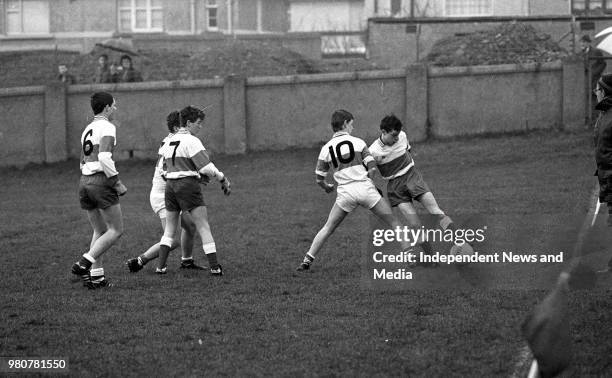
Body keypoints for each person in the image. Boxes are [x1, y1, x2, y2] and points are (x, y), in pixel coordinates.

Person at [296, 109, 413, 271]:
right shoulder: (359, 143)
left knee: (328, 227)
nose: (353, 127)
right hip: (366, 190)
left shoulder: (326, 149)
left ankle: (307, 260)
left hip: (345, 194)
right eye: (351, 124)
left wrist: (327, 187)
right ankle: (409, 255)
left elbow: (319, 178)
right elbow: (372, 169)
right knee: (394, 222)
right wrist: (372, 186)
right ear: (344, 124)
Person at [368, 114, 470, 265]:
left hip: (412, 178)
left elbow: (407, 150)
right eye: (393, 135)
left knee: (436, 211)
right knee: (415, 225)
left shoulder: (402, 135)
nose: (396, 139)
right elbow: (368, 172)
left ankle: (461, 244)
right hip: (395, 188)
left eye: (397, 135)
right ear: (383, 131)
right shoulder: (373, 151)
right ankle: (431, 258)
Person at [126, 110, 206, 273]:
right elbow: (166, 172)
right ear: (177, 127)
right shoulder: (170, 143)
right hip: (163, 196)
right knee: (172, 240)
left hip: (173, 192)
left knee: (190, 226)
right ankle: (140, 260)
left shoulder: (174, 140)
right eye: (184, 123)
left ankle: (187, 262)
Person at [155, 105, 231, 275]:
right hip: (187, 186)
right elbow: (207, 168)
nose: (200, 126)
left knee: (169, 229)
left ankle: (160, 267)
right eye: (198, 123)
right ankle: (215, 268)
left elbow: (162, 170)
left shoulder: (167, 141)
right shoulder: (192, 141)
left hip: (170, 187)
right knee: (203, 226)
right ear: (188, 123)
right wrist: (222, 178)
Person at [71, 91, 127, 289]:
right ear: (106, 108)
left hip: (84, 180)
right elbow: (104, 157)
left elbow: (82, 160)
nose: (115, 108)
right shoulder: (107, 127)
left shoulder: (87, 129)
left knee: (100, 230)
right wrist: (116, 181)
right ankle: (85, 262)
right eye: (114, 105)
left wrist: (88, 176)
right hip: (100, 181)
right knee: (116, 230)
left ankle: (96, 277)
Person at [593, 75, 612, 227]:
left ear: (604, 92)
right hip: (606, 177)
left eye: (597, 90)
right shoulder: (604, 114)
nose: (595, 93)